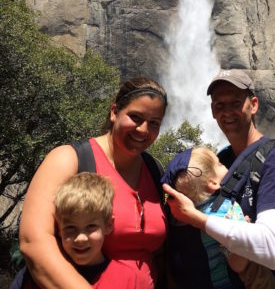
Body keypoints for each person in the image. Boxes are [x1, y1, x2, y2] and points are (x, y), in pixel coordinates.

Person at [19, 77, 168, 289]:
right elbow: (34, 242)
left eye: (154, 123)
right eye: (135, 117)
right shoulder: (70, 159)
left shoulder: (155, 170)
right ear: (114, 112)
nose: (143, 130)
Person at [163, 69, 275, 289]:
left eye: (236, 103)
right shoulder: (220, 160)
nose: (227, 111)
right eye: (219, 105)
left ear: (253, 105)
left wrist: (197, 219)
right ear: (212, 111)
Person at [161, 146, 275, 289]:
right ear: (213, 183)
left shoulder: (178, 218)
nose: (223, 163)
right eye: (219, 163)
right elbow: (238, 264)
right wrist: (244, 232)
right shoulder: (225, 211)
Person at [12, 172, 137, 288]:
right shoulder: (40, 271)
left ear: (108, 225)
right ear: (59, 228)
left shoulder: (126, 278)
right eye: (71, 228)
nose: (80, 238)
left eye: (91, 227)